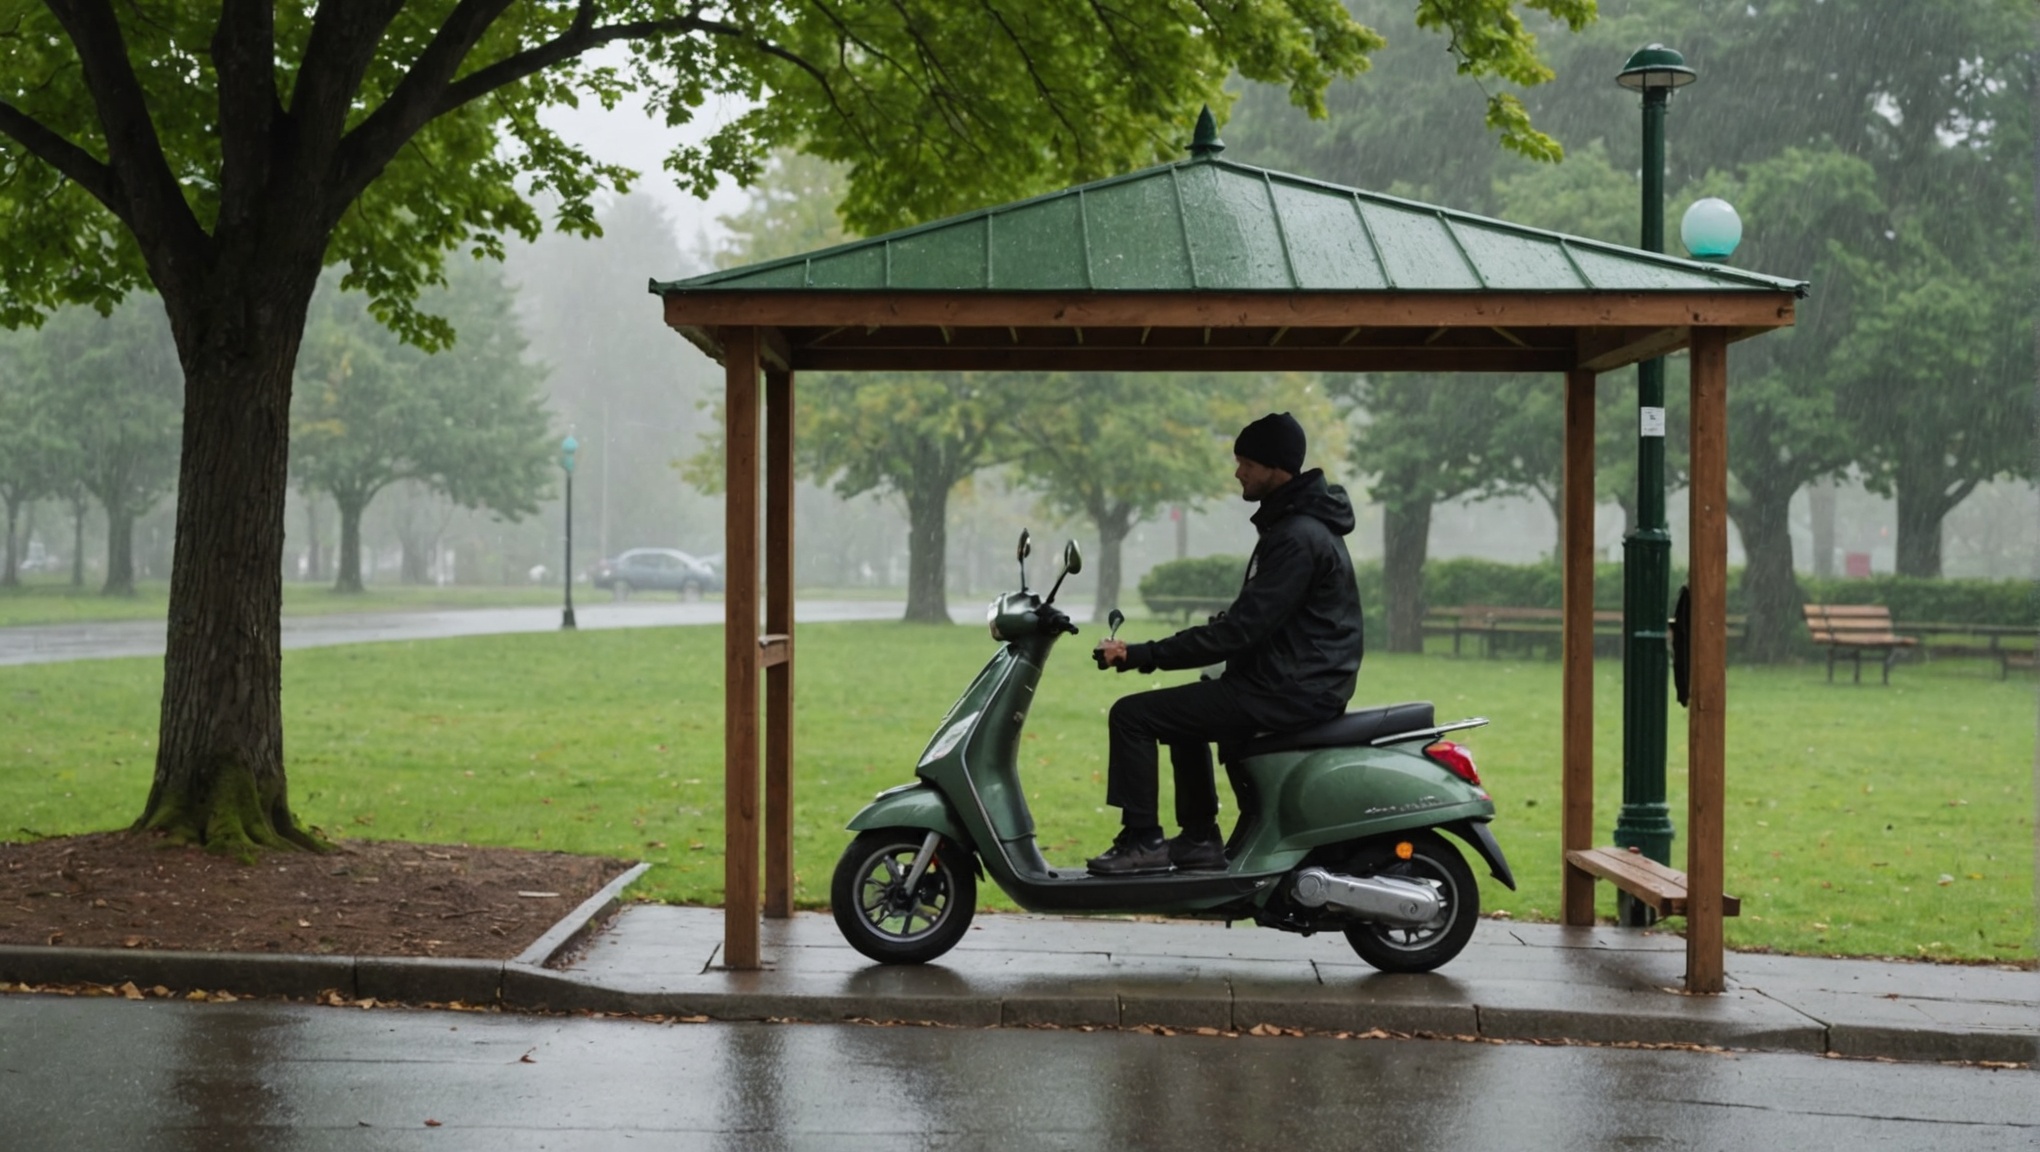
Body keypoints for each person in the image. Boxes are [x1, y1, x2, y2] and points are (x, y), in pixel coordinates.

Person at [1088, 412, 1364, 875]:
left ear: (1276, 468)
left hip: (1289, 689)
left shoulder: (1298, 537)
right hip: (1294, 680)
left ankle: (1143, 842)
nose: (1238, 473)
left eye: (1246, 463)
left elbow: (1239, 632)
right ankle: (1198, 839)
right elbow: (1254, 619)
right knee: (1183, 716)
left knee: (1132, 716)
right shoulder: (1297, 528)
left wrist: (1140, 655)